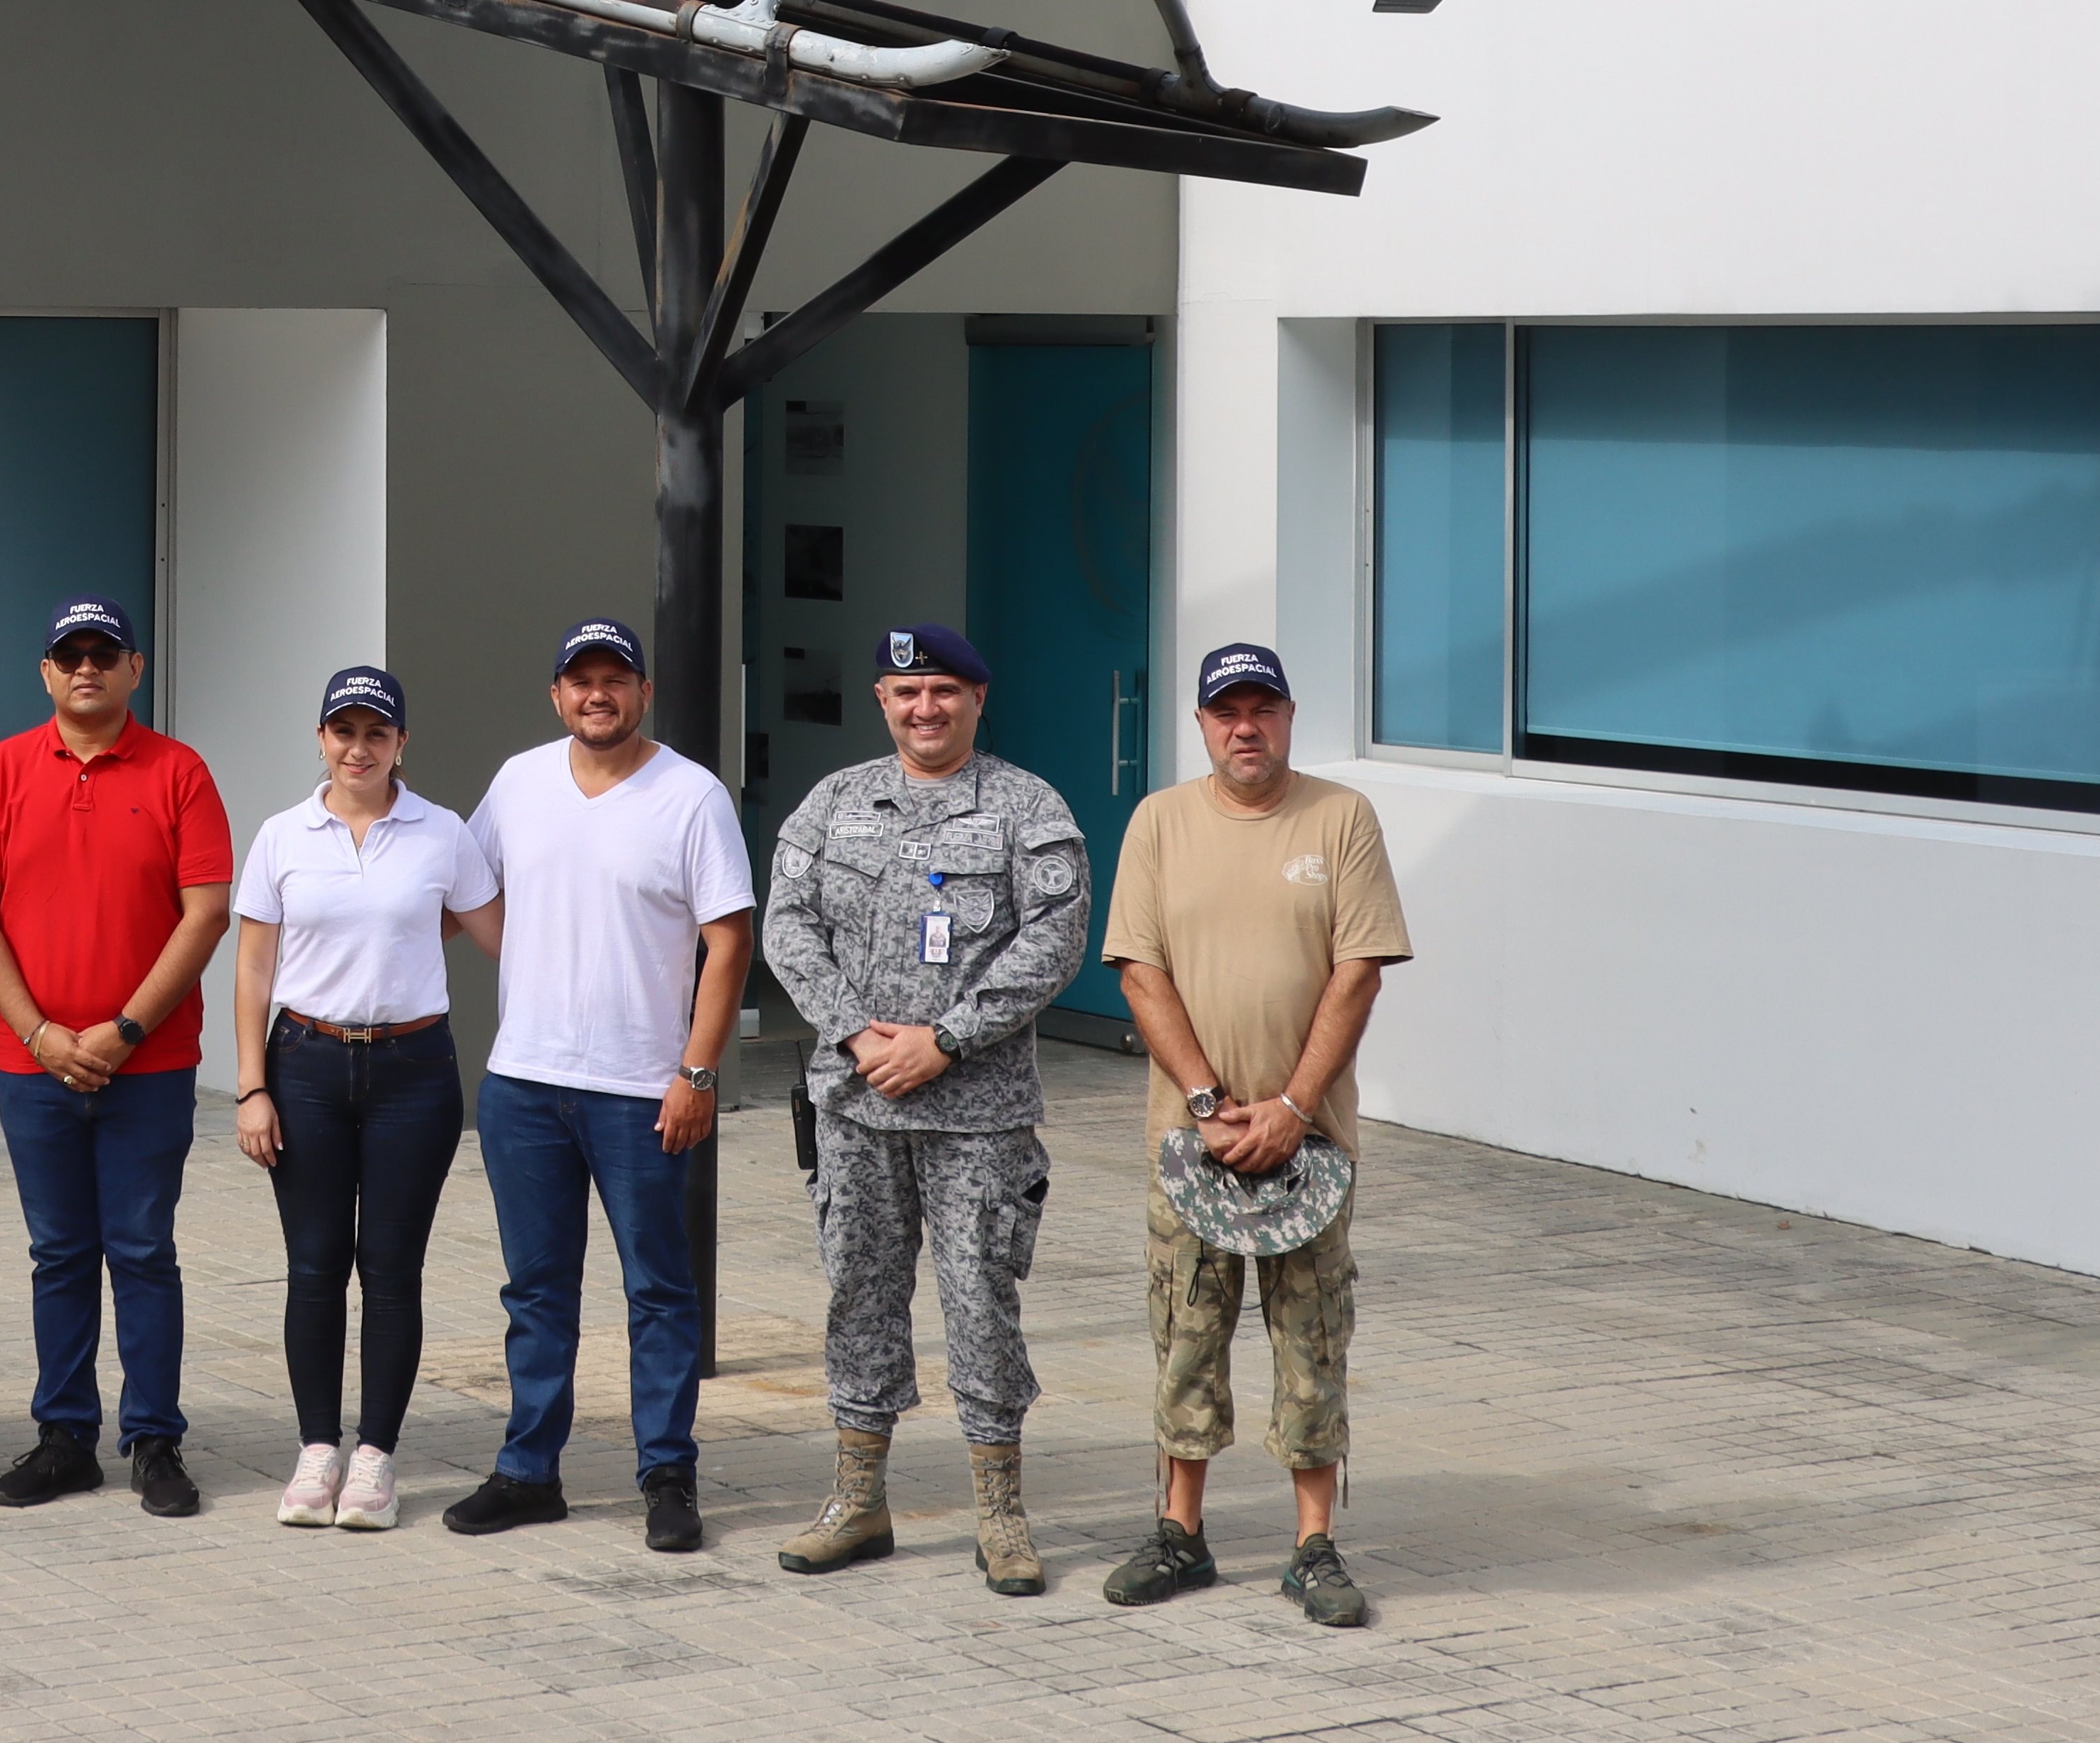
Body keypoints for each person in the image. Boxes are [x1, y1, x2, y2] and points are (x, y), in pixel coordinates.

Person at [755, 622, 1089, 1591]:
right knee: (857, 1300)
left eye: (944, 690)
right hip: (857, 1106)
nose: (925, 709)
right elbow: (788, 929)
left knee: (982, 1306)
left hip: (977, 1115)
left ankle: (1001, 1515)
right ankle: (858, 1502)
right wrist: (860, 1036)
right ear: (882, 704)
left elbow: (1053, 944)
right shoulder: (834, 804)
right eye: (907, 694)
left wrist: (944, 1040)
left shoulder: (1028, 807)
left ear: (978, 700)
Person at [1100, 641, 1412, 1629]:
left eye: (1262, 709)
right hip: (1188, 1141)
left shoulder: (1341, 818)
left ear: (1288, 716)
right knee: (1186, 1335)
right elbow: (1140, 972)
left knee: (1310, 1341)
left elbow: (1357, 971)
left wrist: (1288, 1107)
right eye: (1226, 711)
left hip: (1309, 1147)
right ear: (1200, 724)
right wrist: (1206, 1099)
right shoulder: (1158, 823)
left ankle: (1313, 1546)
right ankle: (1180, 1535)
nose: (1246, 727)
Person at [448, 619, 755, 1554]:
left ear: (643, 692)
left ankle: (667, 1472)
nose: (597, 696)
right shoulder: (518, 782)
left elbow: (730, 939)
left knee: (659, 1290)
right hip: (524, 1086)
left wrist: (696, 1072)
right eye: (580, 681)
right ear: (557, 696)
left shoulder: (691, 797)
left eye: (614, 680)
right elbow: (464, 891)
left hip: (640, 1090)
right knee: (536, 1291)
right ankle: (529, 1471)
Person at [0, 595, 234, 1518]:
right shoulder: (3, 770)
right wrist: (40, 1031)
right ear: (45, 672)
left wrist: (125, 1029)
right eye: (69, 654)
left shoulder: (180, 772)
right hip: (33, 1064)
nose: (87, 668)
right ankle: (65, 1436)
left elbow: (206, 913)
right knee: (60, 1252)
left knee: (143, 1251)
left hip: (147, 1065)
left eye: (104, 654)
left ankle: (154, 1439)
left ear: (133, 671)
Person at [228, 665, 499, 1535]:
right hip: (304, 1061)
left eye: (376, 733)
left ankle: (376, 1455)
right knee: (313, 1265)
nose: (359, 747)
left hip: (413, 1069)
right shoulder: (282, 835)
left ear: (400, 744)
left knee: (390, 1268)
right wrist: (251, 1086)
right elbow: (253, 971)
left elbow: (503, 933)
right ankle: (317, 1449)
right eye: (343, 731)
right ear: (321, 739)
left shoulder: (442, 832)